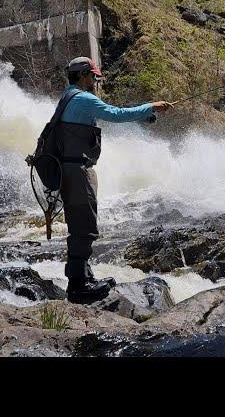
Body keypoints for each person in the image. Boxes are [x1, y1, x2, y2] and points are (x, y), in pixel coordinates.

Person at [58, 56, 173, 304]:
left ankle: (84, 277)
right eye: (93, 76)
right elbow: (116, 114)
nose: (95, 80)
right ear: (82, 76)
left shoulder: (68, 97)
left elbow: (110, 112)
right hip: (78, 171)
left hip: (70, 169)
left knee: (80, 225)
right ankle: (78, 286)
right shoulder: (82, 98)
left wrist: (145, 114)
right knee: (85, 227)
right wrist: (150, 107)